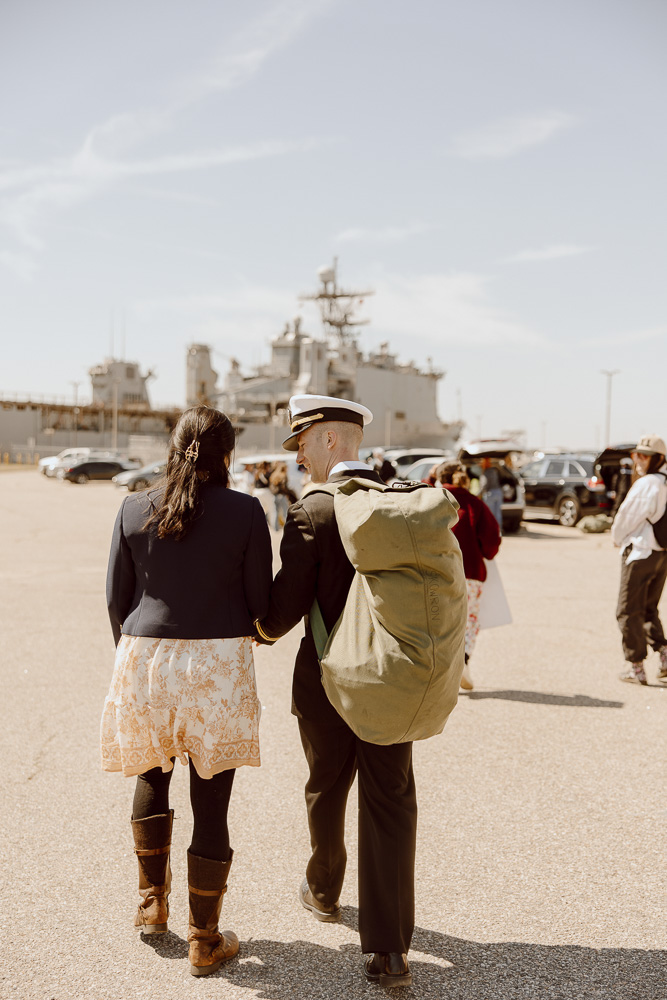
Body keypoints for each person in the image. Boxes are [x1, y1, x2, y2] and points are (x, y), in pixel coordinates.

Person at [100, 406, 272, 976]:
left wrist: (135, 662)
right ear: (226, 454)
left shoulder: (132, 507)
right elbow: (259, 604)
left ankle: (151, 904)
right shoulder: (247, 512)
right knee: (211, 795)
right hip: (216, 662)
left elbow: (115, 600)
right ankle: (204, 939)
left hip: (144, 655)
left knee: (153, 773)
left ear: (173, 449)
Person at [254, 394, 416, 988]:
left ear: (328, 440)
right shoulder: (400, 502)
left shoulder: (312, 513)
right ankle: (390, 950)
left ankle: (323, 890)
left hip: (326, 681)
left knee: (326, 786)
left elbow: (281, 613)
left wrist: (253, 627)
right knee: (390, 800)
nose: (297, 456)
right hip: (391, 684)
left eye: (301, 442)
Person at [438, 461, 501, 690]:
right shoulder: (474, 504)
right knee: (468, 621)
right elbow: (492, 541)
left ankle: (437, 670)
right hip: (470, 572)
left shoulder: (430, 500)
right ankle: (463, 662)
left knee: (437, 621)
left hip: (435, 573)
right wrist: (486, 552)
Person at [611, 434, 667, 685]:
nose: (639, 460)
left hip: (641, 552)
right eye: (637, 454)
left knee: (627, 610)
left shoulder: (648, 485)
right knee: (648, 609)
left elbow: (626, 517)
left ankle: (636, 668)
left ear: (658, 459)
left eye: (644, 456)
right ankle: (665, 656)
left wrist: (616, 537)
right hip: (661, 555)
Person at [269, 460, 297, 530]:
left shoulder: (273, 475)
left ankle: (275, 528)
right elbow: (284, 487)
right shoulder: (284, 475)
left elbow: (271, 486)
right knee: (285, 512)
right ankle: (286, 527)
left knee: (276, 512)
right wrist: (287, 494)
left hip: (275, 496)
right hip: (282, 495)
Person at [479, 457, 503, 529]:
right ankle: (498, 530)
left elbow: (484, 485)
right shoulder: (494, 471)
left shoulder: (485, 472)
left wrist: (478, 494)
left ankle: (491, 530)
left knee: (490, 514)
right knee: (498, 513)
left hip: (490, 493)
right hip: (498, 492)